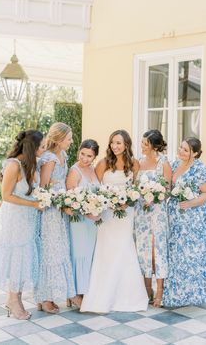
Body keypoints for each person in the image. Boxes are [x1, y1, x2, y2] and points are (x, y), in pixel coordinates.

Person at [80, 129, 148, 313]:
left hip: (126, 214)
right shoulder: (103, 163)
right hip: (108, 215)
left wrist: (128, 202)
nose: (115, 146)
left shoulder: (134, 164)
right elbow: (96, 189)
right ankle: (102, 297)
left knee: (125, 249)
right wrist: (106, 203)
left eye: (118, 143)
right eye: (112, 142)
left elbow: (136, 189)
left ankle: (128, 298)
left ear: (126, 144)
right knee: (106, 251)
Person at [0, 130, 46, 320]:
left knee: (24, 257)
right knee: (17, 255)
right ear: (32, 148)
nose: (45, 148)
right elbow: (6, 195)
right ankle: (13, 300)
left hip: (29, 218)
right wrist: (33, 204)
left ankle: (16, 298)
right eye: (42, 146)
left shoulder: (31, 164)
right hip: (15, 218)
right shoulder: (14, 165)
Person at [163, 137, 206, 307]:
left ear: (195, 153)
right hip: (175, 218)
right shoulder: (175, 164)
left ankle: (194, 293)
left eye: (185, 150)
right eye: (181, 147)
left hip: (193, 219)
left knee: (191, 255)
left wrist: (190, 203)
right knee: (176, 253)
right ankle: (176, 293)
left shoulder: (201, 169)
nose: (181, 151)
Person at [34, 122, 79, 313]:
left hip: (62, 209)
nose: (71, 142)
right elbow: (43, 188)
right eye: (68, 139)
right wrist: (56, 199)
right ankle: (44, 297)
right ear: (60, 140)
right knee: (50, 251)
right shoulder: (49, 158)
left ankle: (62, 293)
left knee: (61, 249)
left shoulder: (64, 154)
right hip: (51, 211)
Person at [134, 129, 171, 307]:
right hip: (141, 213)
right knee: (143, 250)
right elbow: (134, 187)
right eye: (141, 142)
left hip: (157, 213)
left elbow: (168, 189)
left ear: (154, 146)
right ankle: (146, 291)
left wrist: (155, 196)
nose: (142, 146)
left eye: (145, 144)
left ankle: (159, 293)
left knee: (158, 251)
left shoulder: (163, 162)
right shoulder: (139, 162)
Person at [66, 139, 100, 298]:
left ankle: (87, 290)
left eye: (89, 156)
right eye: (83, 154)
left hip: (93, 222)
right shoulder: (74, 171)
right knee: (79, 253)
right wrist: (88, 213)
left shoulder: (93, 170)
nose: (85, 159)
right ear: (78, 151)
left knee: (89, 253)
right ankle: (76, 293)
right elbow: (71, 200)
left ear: (94, 157)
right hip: (79, 221)